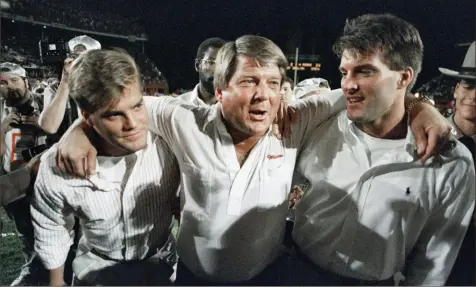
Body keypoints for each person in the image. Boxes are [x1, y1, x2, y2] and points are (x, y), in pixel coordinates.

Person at [54, 35, 451, 285]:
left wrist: (419, 106)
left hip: (268, 276)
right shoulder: (184, 118)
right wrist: (79, 130)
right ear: (221, 88)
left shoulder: (294, 120)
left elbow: (370, 93)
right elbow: (118, 104)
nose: (263, 95)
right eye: (248, 82)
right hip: (192, 277)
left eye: (273, 84)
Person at [291, 14, 475, 286]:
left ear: (403, 78)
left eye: (365, 71)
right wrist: (419, 105)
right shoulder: (320, 124)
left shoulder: (452, 162)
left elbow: (432, 264)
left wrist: (418, 106)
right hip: (295, 270)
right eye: (344, 72)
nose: (348, 84)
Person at [31, 49, 180, 286]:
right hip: (96, 270)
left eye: (137, 106)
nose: (133, 124)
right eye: (114, 115)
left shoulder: (170, 141)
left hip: (162, 264)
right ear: (87, 117)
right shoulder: (57, 165)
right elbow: (50, 226)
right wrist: (56, 282)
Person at [0, 62, 48, 286]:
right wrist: (1, 130)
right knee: (24, 232)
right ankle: (32, 268)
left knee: (53, 229)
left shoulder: (44, 103)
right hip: (12, 183)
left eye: (14, 80)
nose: (9, 87)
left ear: (26, 81)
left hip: (43, 180)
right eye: (2, 82)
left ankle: (61, 271)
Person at [439, 41, 476, 286]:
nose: (473, 96)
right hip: (435, 258)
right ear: (456, 89)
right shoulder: (429, 137)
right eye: (469, 85)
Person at [177, 37, 226, 106]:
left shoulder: (236, 108)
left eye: (223, 63)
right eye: (211, 62)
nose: (218, 70)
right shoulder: (179, 105)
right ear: (197, 65)